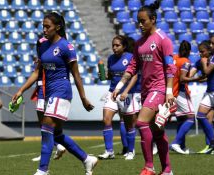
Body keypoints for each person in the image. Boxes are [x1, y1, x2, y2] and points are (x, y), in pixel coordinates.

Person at [12, 12, 97, 175]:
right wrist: (21, 90)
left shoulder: (66, 47)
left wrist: (83, 98)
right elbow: (37, 73)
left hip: (61, 90)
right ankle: (87, 159)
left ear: (57, 27)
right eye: (43, 26)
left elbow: (76, 74)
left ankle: (42, 170)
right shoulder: (43, 45)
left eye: (47, 26)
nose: (44, 29)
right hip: (48, 92)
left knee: (46, 127)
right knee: (56, 135)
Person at [112, 1, 176, 174]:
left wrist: (169, 93)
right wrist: (119, 86)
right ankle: (167, 170)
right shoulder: (139, 43)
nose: (140, 25)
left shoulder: (163, 40)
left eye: (143, 21)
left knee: (141, 122)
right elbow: (132, 67)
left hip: (159, 89)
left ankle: (149, 166)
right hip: (146, 91)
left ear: (153, 19)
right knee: (157, 131)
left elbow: (170, 68)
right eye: (138, 21)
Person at [98, 35, 140, 160]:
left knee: (129, 125)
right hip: (112, 93)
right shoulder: (111, 59)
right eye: (113, 45)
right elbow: (111, 76)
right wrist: (103, 75)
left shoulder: (130, 57)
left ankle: (131, 151)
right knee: (106, 119)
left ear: (124, 46)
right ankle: (109, 151)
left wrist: (126, 91)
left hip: (126, 94)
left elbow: (134, 76)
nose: (114, 48)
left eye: (117, 45)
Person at [31, 39, 66, 162]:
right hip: (44, 89)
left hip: (45, 90)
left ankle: (54, 147)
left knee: (44, 125)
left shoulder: (45, 59)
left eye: (40, 45)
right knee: (47, 125)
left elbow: (40, 75)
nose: (39, 47)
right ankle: (55, 146)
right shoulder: (42, 59)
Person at [169, 40, 205, 154]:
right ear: (189, 51)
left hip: (172, 91)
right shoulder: (185, 61)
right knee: (190, 117)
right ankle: (176, 142)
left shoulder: (174, 58)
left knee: (181, 119)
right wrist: (198, 79)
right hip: (180, 92)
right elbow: (183, 79)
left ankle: (182, 147)